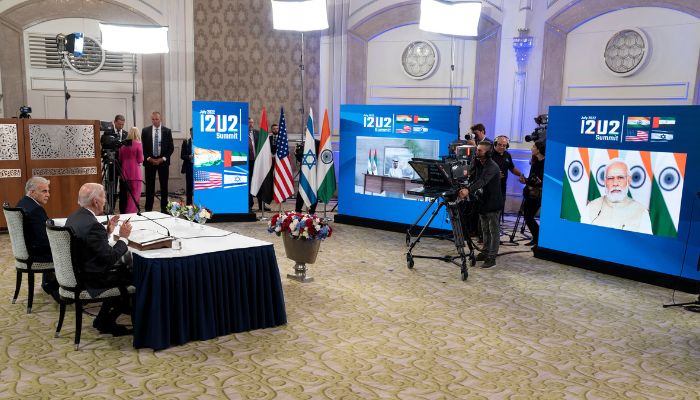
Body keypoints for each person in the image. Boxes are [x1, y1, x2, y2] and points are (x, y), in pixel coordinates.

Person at [65, 183, 133, 336]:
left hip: (76, 273)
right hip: (91, 278)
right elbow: (110, 257)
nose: (106, 200)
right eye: (104, 197)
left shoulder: (75, 217)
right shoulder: (92, 225)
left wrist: (107, 232)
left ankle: (103, 320)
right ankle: (108, 321)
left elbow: (89, 245)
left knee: (123, 271)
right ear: (95, 201)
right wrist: (123, 238)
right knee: (133, 274)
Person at [458, 141, 503, 268]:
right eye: (477, 149)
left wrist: (468, 190)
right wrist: (464, 184)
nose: (476, 152)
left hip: (493, 202)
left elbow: (482, 181)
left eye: (480, 150)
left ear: (488, 153)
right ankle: (485, 252)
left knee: (494, 231)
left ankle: (492, 258)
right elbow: (471, 176)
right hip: (482, 201)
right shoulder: (477, 162)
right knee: (484, 230)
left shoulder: (492, 166)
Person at [16, 176, 59, 302]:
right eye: (44, 191)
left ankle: (49, 283)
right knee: (71, 250)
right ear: (32, 192)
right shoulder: (36, 210)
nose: (48, 195)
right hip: (36, 254)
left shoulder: (23, 203)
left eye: (48, 191)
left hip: (26, 251)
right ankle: (57, 288)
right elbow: (43, 241)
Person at [581, 158, 652, 234]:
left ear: (629, 180)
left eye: (620, 178)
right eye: (610, 178)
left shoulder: (641, 212)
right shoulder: (591, 208)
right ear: (605, 182)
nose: (615, 183)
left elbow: (645, 244)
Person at [142, 111, 174, 212]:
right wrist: (149, 158)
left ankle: (164, 210)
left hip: (163, 163)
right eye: (153, 119)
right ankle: (148, 210)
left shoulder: (167, 131)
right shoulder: (145, 130)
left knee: (164, 187)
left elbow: (171, 148)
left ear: (161, 119)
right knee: (149, 188)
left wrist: (162, 159)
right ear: (151, 119)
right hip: (149, 162)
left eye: (157, 119)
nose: (155, 121)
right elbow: (142, 147)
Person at [521, 141, 545, 247]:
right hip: (530, 192)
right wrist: (525, 180)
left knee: (529, 216)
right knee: (527, 216)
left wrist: (539, 182)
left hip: (538, 194)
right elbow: (532, 178)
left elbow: (544, 181)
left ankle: (538, 237)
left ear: (539, 149)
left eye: (534, 146)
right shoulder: (535, 161)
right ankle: (536, 238)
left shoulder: (546, 163)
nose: (532, 148)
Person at [492, 135, 525, 211]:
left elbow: (512, 168)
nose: (502, 147)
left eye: (504, 145)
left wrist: (521, 174)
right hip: (491, 188)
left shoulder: (507, 155)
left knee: (500, 208)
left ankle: (498, 222)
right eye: (500, 145)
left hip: (502, 187)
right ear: (495, 144)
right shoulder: (490, 155)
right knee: (492, 211)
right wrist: (495, 174)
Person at [118, 127, 144, 213]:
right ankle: (129, 214)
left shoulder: (123, 145)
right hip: (135, 173)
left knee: (128, 195)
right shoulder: (138, 144)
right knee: (135, 195)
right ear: (137, 134)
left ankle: (127, 212)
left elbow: (120, 159)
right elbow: (140, 159)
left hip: (125, 173)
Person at [180, 128, 194, 205]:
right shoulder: (186, 142)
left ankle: (200, 207)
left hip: (199, 168)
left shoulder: (201, 142)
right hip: (189, 167)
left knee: (199, 188)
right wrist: (189, 156)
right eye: (192, 133)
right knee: (189, 187)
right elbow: (182, 156)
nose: (193, 134)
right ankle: (189, 206)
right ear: (190, 133)